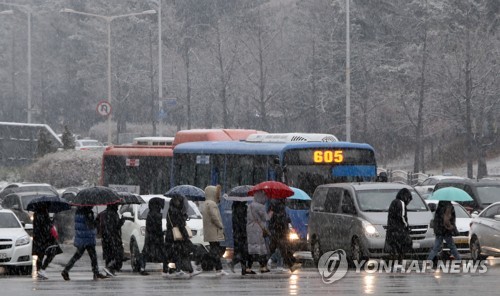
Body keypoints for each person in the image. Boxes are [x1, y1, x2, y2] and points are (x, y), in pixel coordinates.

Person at [61, 206, 108, 281]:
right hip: (87, 237)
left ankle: (66, 270)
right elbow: (90, 225)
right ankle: (95, 273)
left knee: (77, 256)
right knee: (93, 256)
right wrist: (97, 220)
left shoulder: (78, 212)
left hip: (81, 237)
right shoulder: (88, 212)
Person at [165, 194, 200, 278]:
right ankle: (182, 270)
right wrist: (186, 236)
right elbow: (180, 225)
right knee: (184, 252)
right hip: (178, 237)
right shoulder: (177, 211)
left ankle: (182, 270)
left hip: (171, 235)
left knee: (180, 254)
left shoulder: (170, 210)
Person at [267, 199, 301, 272]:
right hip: (280, 232)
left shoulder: (273, 206)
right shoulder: (280, 208)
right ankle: (291, 264)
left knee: (279, 249)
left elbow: (271, 219)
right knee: (282, 249)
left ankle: (291, 264)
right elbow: (281, 219)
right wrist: (286, 220)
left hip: (277, 232)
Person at [202, 185, 229, 276]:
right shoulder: (212, 204)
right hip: (214, 231)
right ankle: (219, 269)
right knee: (215, 250)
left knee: (214, 250)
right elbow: (215, 217)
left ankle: (215, 267)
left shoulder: (205, 203)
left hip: (209, 231)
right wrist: (220, 226)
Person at [384, 188, 413, 262]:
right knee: (404, 246)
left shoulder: (393, 202)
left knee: (394, 248)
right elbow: (402, 216)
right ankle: (399, 261)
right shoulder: (401, 203)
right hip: (399, 231)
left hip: (392, 230)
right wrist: (407, 226)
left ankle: (393, 262)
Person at [32, 204, 61, 280]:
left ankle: (40, 270)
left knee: (41, 255)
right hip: (44, 238)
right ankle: (42, 270)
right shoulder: (42, 214)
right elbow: (45, 226)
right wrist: (50, 223)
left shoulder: (39, 213)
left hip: (40, 238)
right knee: (51, 252)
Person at [138, 197, 165, 276]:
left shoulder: (149, 213)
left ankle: (142, 268)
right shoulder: (157, 215)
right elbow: (158, 227)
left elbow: (150, 227)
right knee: (163, 252)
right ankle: (167, 268)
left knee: (145, 252)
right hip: (156, 236)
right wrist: (161, 234)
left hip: (149, 236)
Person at [229, 200, 255, 275]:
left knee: (241, 250)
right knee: (244, 251)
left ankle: (243, 269)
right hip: (242, 232)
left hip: (237, 233)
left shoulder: (235, 208)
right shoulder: (243, 208)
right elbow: (243, 222)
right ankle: (233, 262)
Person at [247, 190, 271, 273]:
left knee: (253, 248)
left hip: (250, 228)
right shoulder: (260, 206)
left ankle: (249, 267)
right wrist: (271, 213)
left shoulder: (250, 206)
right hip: (258, 229)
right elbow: (266, 218)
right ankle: (262, 267)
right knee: (260, 249)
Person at [101, 203, 125, 276]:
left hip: (105, 237)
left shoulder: (103, 214)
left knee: (109, 255)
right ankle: (110, 268)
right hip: (114, 237)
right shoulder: (114, 214)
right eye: (117, 206)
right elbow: (116, 226)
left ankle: (110, 271)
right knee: (118, 254)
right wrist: (122, 221)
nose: (117, 208)